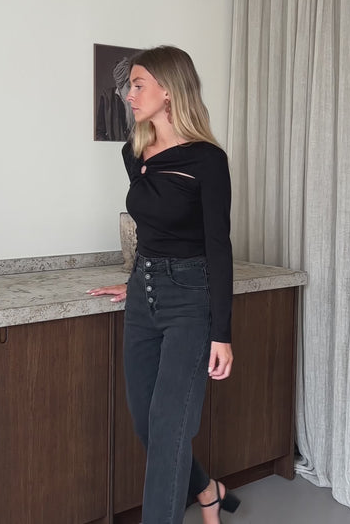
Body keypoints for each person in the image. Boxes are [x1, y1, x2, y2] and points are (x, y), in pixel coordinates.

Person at [87, 45, 240, 524]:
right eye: (128, 86)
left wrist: (221, 333)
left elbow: (218, 246)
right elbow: (151, 232)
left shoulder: (207, 160)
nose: (128, 95)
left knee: (170, 427)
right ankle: (208, 491)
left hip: (190, 301)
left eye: (138, 85)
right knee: (148, 425)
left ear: (169, 90)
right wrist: (135, 281)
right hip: (144, 296)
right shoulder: (134, 152)